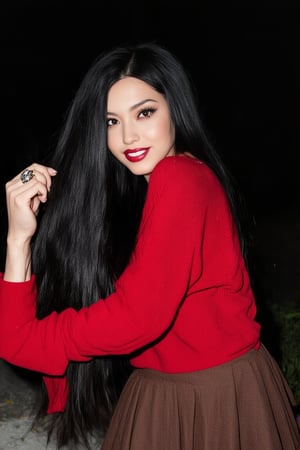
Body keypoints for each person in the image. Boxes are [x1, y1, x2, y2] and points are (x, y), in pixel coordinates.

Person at [0, 42, 299, 450]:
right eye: (110, 121)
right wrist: (19, 238)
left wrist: (44, 339)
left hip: (208, 399)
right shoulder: (162, 187)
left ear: (174, 107)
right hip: (171, 392)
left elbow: (138, 316)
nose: (127, 136)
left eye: (144, 112)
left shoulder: (179, 178)